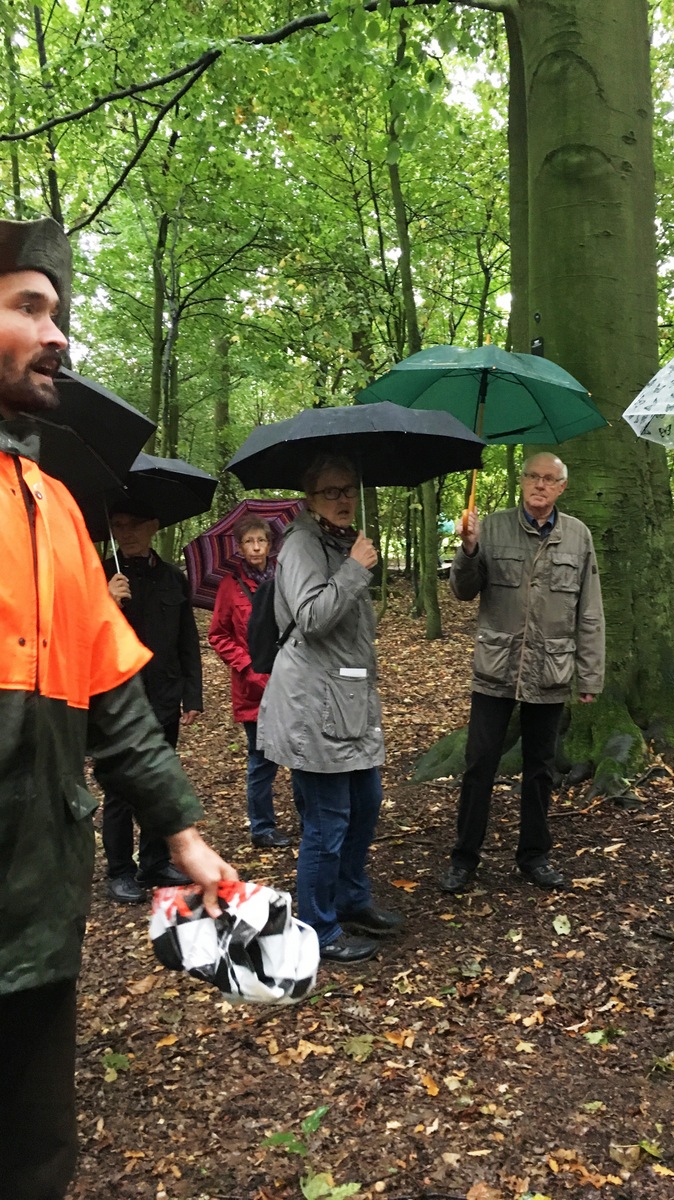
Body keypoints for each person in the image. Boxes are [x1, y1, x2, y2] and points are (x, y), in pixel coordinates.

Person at [0, 216, 236, 1200]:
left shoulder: (57, 509)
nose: (58, 335)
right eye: (28, 308)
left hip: (39, 913)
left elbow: (115, 703)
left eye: (57, 312)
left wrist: (184, 833)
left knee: (36, 1156)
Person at [258, 454, 401, 964]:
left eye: (349, 490)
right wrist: (356, 569)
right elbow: (313, 618)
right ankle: (318, 927)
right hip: (313, 706)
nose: (344, 500)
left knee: (365, 804)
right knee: (327, 821)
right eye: (332, 492)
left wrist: (353, 563)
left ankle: (351, 899)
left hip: (349, 701)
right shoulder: (301, 545)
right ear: (310, 499)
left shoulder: (339, 541)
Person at [440, 452, 605, 893]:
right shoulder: (492, 528)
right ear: (522, 481)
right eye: (533, 476)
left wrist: (590, 675)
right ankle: (464, 858)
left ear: (562, 487)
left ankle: (534, 855)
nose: (540, 485)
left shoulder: (578, 536)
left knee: (540, 768)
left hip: (550, 669)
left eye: (550, 479)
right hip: (497, 667)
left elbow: (590, 610)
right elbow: (462, 591)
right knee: (479, 765)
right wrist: (468, 549)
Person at [102, 502, 204, 902]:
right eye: (118, 525)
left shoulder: (172, 578)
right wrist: (105, 601)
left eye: (135, 524)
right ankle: (119, 870)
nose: (126, 532)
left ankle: (154, 862)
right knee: (121, 788)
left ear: (154, 526)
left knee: (159, 781)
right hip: (118, 699)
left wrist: (192, 694)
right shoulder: (100, 576)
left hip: (164, 695)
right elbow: (79, 634)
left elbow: (187, 640)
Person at [208, 514, 298, 848]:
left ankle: (310, 817)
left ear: (270, 544)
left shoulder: (286, 578)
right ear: (240, 547)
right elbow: (218, 635)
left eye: (261, 540)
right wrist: (248, 667)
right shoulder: (230, 587)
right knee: (262, 760)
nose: (256, 547)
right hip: (252, 688)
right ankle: (262, 828)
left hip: (291, 679)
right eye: (249, 541)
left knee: (300, 752)